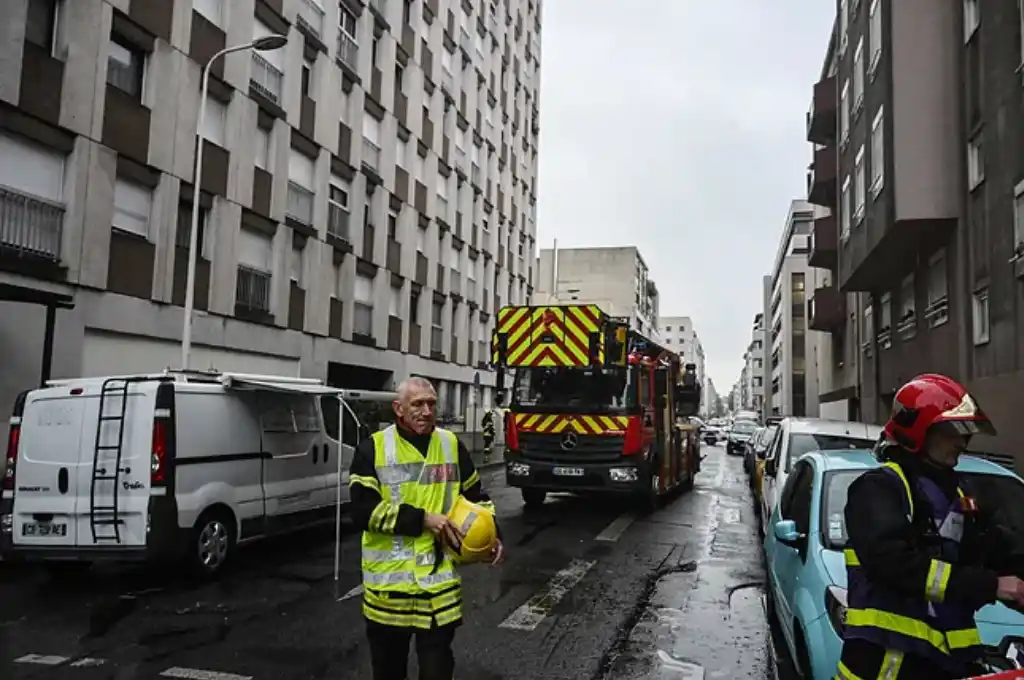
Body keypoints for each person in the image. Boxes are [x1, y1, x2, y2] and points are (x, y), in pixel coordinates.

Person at [838, 373, 1024, 680]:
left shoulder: (960, 497)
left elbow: (1001, 553)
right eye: (952, 429)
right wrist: (991, 585)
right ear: (917, 433)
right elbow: (893, 564)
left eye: (965, 431)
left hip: (946, 665)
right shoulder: (878, 489)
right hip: (885, 667)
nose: (963, 442)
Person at [349, 377, 505, 680]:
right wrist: (422, 520)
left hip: (438, 591)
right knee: (388, 672)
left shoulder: (450, 445)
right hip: (389, 594)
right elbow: (362, 512)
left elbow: (476, 498)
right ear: (399, 408)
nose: (425, 410)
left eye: (431, 404)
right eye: (417, 404)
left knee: (438, 671)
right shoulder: (373, 449)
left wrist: (492, 535)